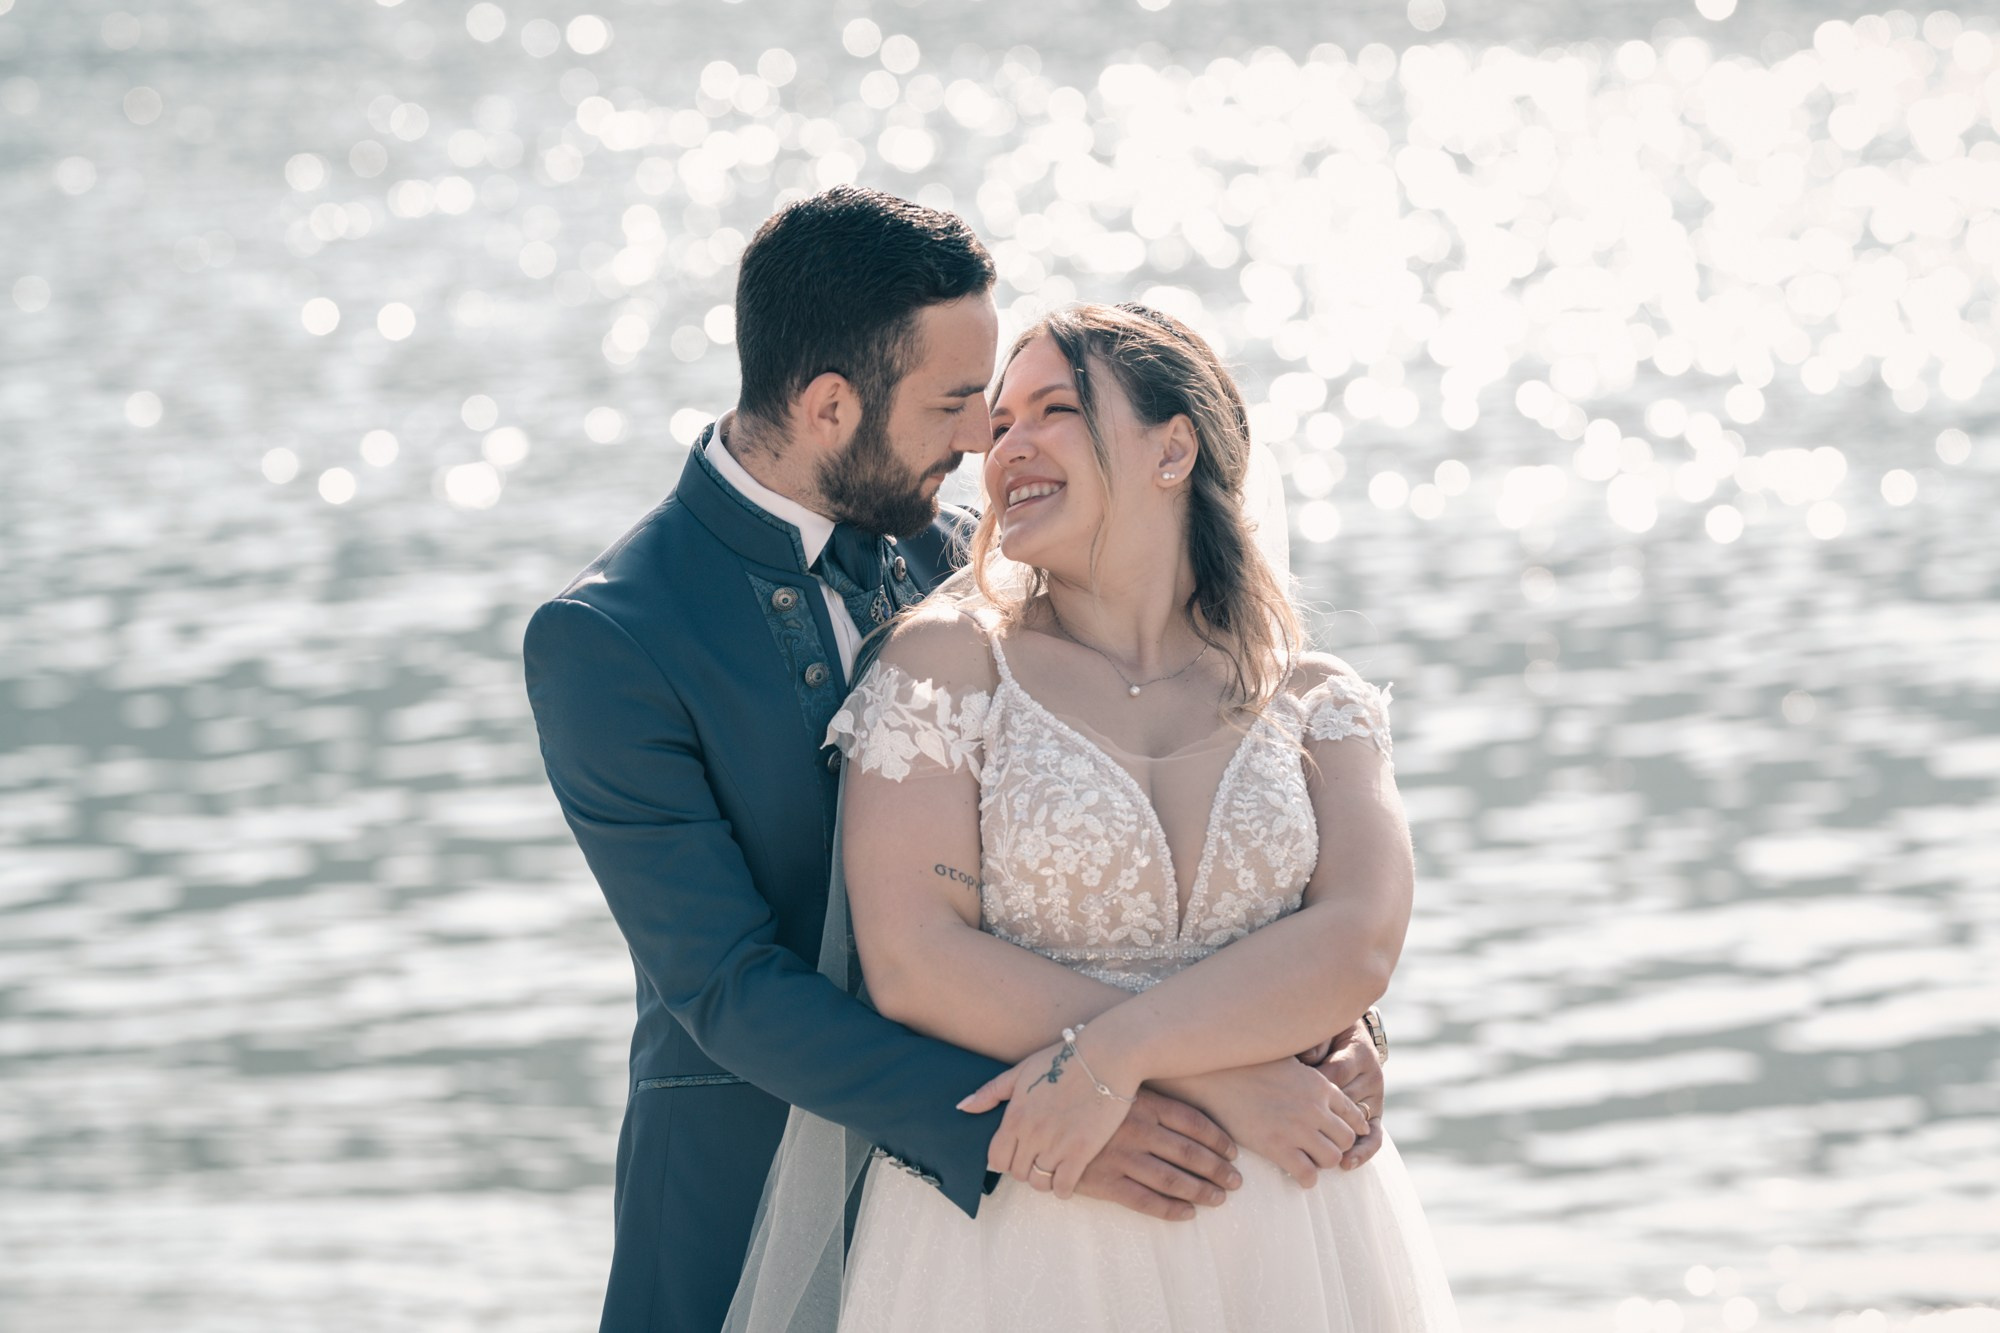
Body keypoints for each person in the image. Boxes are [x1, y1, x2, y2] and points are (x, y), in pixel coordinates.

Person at [524, 187, 1390, 1333]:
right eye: (953, 404)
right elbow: (724, 984)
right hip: (758, 1184)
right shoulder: (611, 636)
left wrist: (1314, 1030)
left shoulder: (977, 559)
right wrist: (1090, 1100)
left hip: (1082, 1185)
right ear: (829, 405)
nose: (983, 440)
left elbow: (1184, 797)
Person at [808, 303, 1459, 1329]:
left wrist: (1118, 1056)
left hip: (1294, 1225)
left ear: (1173, 449)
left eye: (1053, 410)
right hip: (1043, 1227)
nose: (1005, 447)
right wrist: (1229, 1077)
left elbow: (1358, 941)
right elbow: (915, 960)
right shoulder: (944, 665)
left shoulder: (1311, 698)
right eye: (1000, 421)